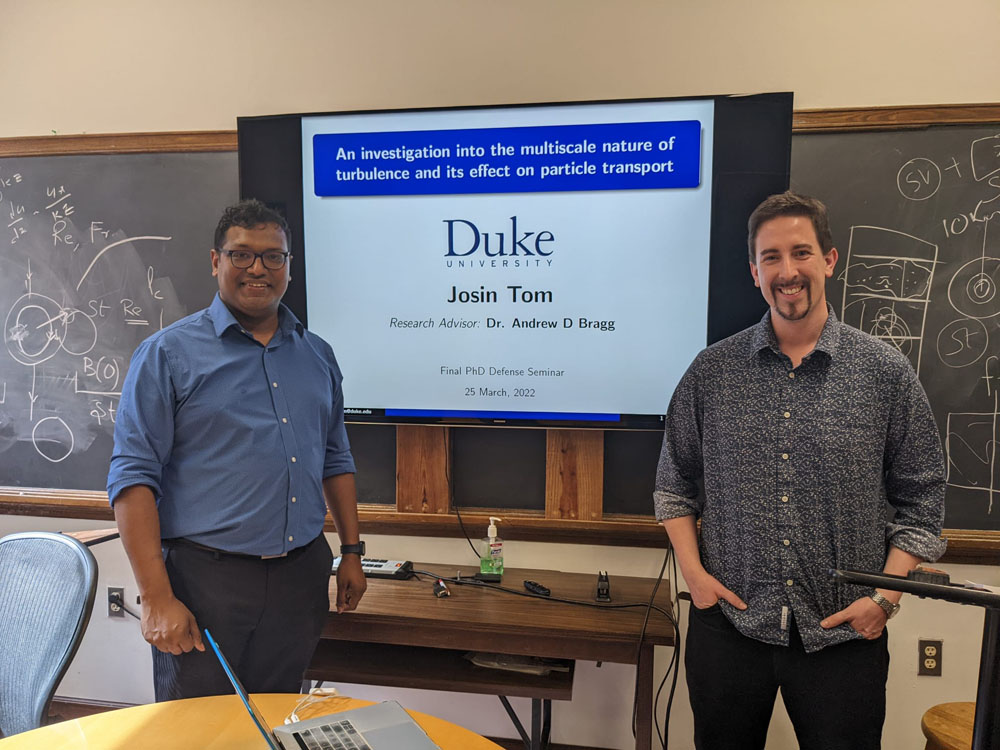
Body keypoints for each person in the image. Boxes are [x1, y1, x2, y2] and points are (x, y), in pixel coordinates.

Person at [654, 192, 946, 749]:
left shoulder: (885, 374)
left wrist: (885, 600)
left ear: (830, 260)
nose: (787, 272)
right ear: (754, 271)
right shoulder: (711, 372)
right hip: (730, 626)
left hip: (845, 635)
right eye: (771, 257)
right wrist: (694, 576)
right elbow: (674, 484)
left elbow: (924, 498)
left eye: (801, 253)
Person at [108, 199, 366, 701]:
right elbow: (132, 478)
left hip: (300, 576)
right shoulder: (167, 355)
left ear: (288, 266)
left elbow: (335, 458)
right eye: (241, 255)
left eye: (274, 257)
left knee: (274, 719)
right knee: (197, 731)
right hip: (205, 583)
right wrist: (157, 597)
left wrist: (352, 552)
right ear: (215, 261)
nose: (258, 269)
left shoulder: (317, 356)